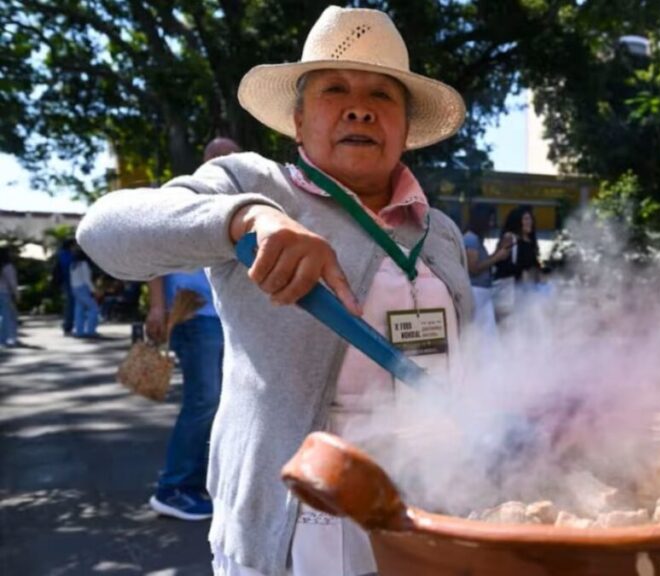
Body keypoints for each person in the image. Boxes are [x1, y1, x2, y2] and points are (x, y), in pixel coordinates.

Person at [77, 7, 472, 576]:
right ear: (298, 118)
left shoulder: (440, 233)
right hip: (298, 524)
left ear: (404, 127)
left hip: (428, 510)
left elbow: (470, 361)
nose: (360, 106)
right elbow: (104, 230)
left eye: (382, 95)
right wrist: (247, 219)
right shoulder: (256, 185)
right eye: (335, 88)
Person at [144, 137, 239, 521]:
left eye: (230, 156)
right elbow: (154, 255)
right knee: (204, 402)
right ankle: (173, 487)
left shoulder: (236, 201)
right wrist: (157, 307)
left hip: (225, 319)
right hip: (195, 319)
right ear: (205, 159)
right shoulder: (183, 197)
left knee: (220, 404)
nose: (224, 161)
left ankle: (199, 483)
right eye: (217, 155)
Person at [463, 204, 512, 338]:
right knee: (482, 334)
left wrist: (499, 251)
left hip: (482, 292)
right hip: (476, 292)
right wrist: (497, 257)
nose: (491, 224)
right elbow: (474, 268)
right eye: (490, 220)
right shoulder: (471, 239)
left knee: (487, 333)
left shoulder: (475, 239)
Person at [492, 206, 541, 322]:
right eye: (526, 219)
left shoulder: (530, 242)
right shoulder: (510, 238)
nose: (530, 222)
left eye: (530, 219)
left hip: (525, 293)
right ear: (517, 221)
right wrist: (521, 271)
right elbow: (500, 264)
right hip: (511, 292)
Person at [69, 247, 100, 338]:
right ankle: (91, 330)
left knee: (79, 310)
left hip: (74, 288)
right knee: (94, 308)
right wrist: (93, 290)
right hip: (83, 288)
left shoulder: (73, 265)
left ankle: (79, 331)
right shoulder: (84, 264)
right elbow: (87, 280)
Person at [52, 239, 76, 335]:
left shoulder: (60, 254)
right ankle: (68, 325)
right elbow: (69, 269)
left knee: (68, 304)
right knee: (70, 305)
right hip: (69, 282)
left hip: (65, 283)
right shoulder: (68, 255)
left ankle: (68, 324)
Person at [0, 248, 18, 347]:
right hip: (5, 293)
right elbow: (12, 282)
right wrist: (17, 294)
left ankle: (3, 338)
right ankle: (5, 338)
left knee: (2, 317)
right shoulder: (8, 267)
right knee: (8, 317)